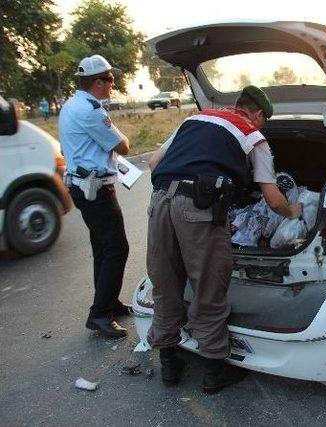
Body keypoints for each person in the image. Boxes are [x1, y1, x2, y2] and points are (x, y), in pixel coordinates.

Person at [146, 85, 302, 394]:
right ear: (257, 115)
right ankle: (215, 370)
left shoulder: (195, 119)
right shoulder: (253, 135)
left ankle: (169, 363)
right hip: (198, 209)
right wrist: (293, 211)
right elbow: (272, 199)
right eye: (264, 121)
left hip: (160, 201)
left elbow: (154, 163)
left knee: (165, 281)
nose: (262, 126)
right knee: (208, 286)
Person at [59, 54, 131, 338]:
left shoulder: (70, 105)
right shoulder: (91, 110)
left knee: (103, 247)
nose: (113, 84)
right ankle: (99, 314)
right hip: (96, 189)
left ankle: (108, 302)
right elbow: (123, 146)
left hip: (83, 185)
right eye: (110, 80)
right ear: (98, 82)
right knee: (117, 248)